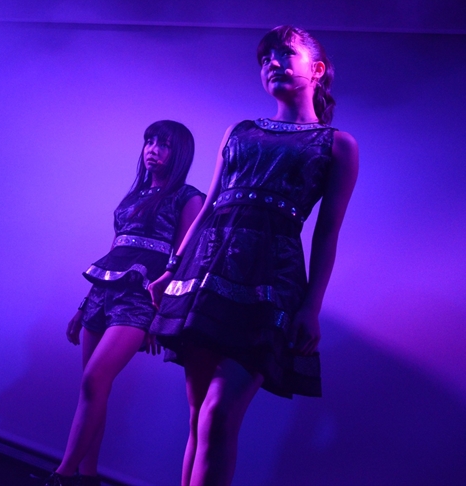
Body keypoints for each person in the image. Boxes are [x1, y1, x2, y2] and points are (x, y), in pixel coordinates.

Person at [148, 26, 359, 486]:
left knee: (219, 415)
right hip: (207, 275)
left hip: (271, 283)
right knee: (198, 417)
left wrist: (311, 307)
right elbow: (208, 208)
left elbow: (327, 234)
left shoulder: (337, 144)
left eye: (285, 53)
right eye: (265, 58)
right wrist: (171, 270)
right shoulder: (240, 131)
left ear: (317, 69)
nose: (273, 63)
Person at [45, 121, 204, 486]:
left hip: (141, 300)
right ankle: (87, 477)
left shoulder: (188, 197)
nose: (153, 149)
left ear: (179, 153)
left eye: (163, 144)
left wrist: (161, 316)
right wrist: (84, 305)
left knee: (94, 380)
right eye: (149, 142)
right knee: (93, 389)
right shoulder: (134, 196)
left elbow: (184, 261)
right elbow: (115, 252)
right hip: (102, 294)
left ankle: (62, 475)